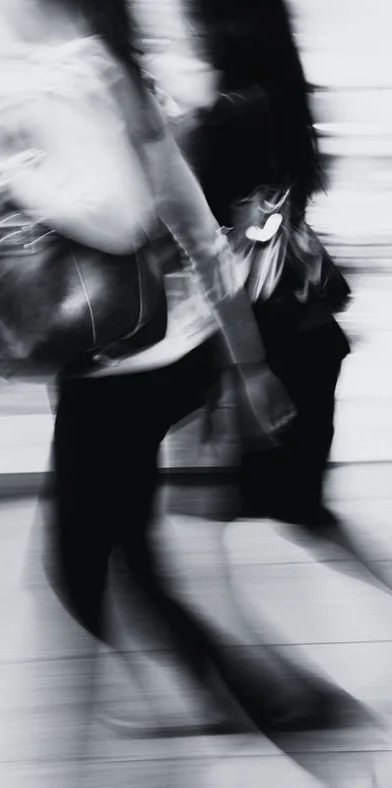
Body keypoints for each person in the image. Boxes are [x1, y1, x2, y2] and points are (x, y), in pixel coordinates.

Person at [0, 0, 379, 788]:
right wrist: (245, 362)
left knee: (88, 570)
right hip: (164, 357)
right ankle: (181, 769)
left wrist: (9, 163)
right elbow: (193, 224)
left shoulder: (65, 78)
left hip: (117, 371)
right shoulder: (116, 69)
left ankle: (315, 732)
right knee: (122, 566)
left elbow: (119, 219)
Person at [181, 0, 392, 590]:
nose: (191, 32)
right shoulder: (285, 113)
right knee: (290, 511)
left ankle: (228, 668)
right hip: (306, 336)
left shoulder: (228, 120)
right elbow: (266, 235)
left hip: (269, 348)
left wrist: (246, 370)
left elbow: (223, 253)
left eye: (199, 20)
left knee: (251, 512)